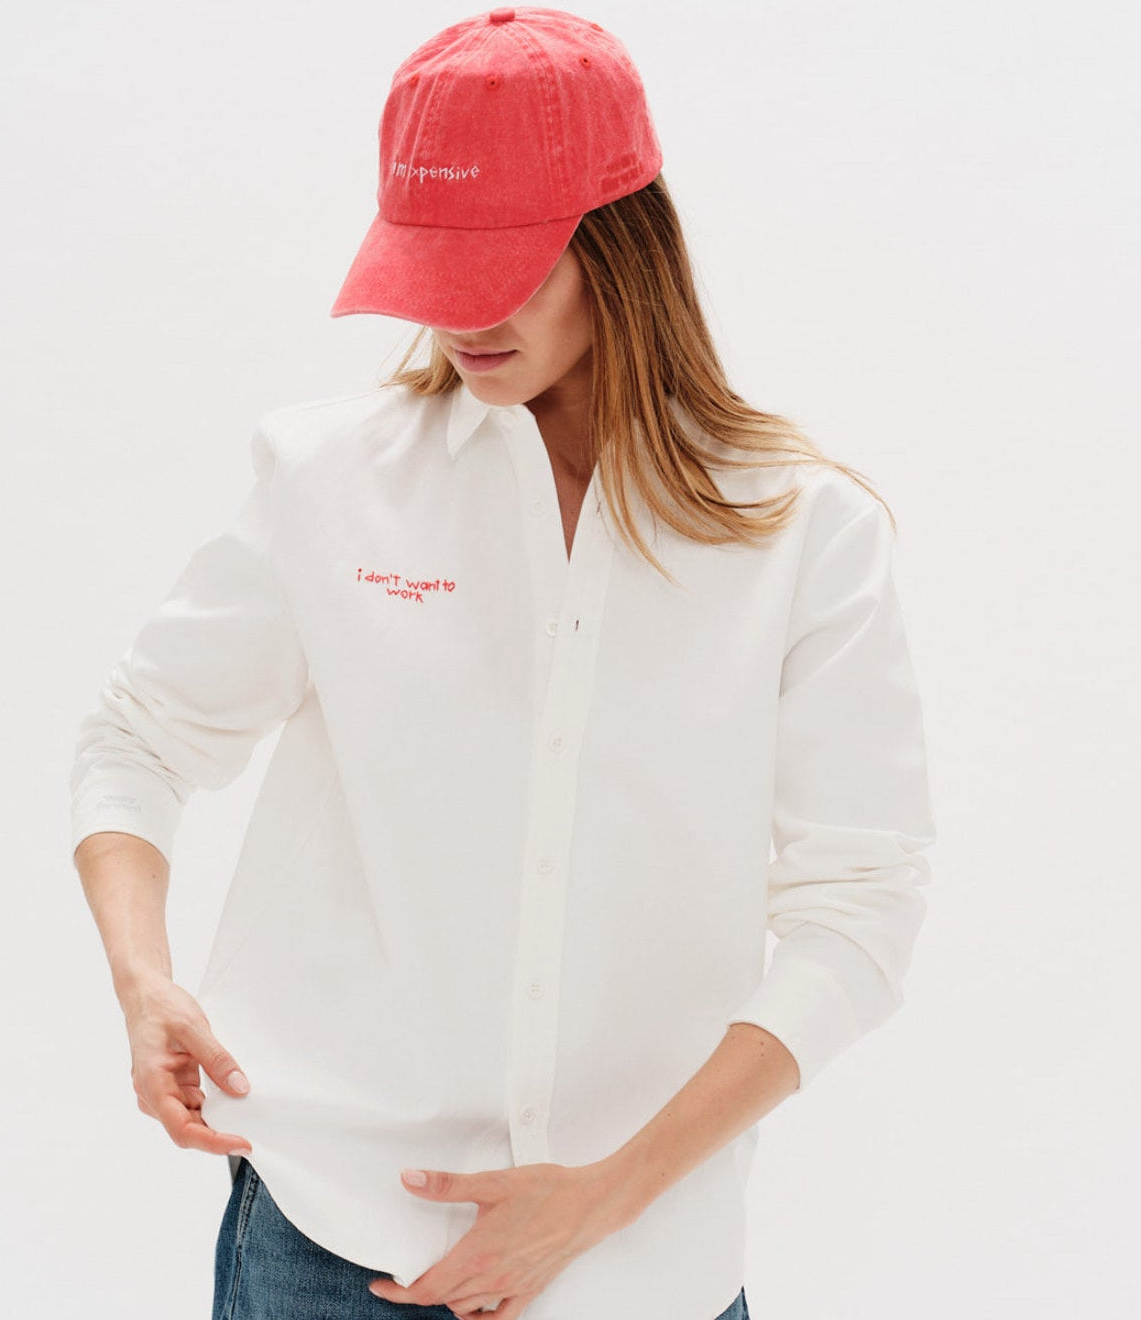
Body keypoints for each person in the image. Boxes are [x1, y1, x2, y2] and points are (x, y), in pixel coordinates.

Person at [69, 8, 937, 1320]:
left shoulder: (804, 533)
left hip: (643, 1269)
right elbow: (139, 735)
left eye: (504, 265)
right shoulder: (330, 480)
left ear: (623, 245)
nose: (458, 313)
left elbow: (859, 911)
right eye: (432, 262)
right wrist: (144, 985)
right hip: (325, 1238)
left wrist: (605, 1195)